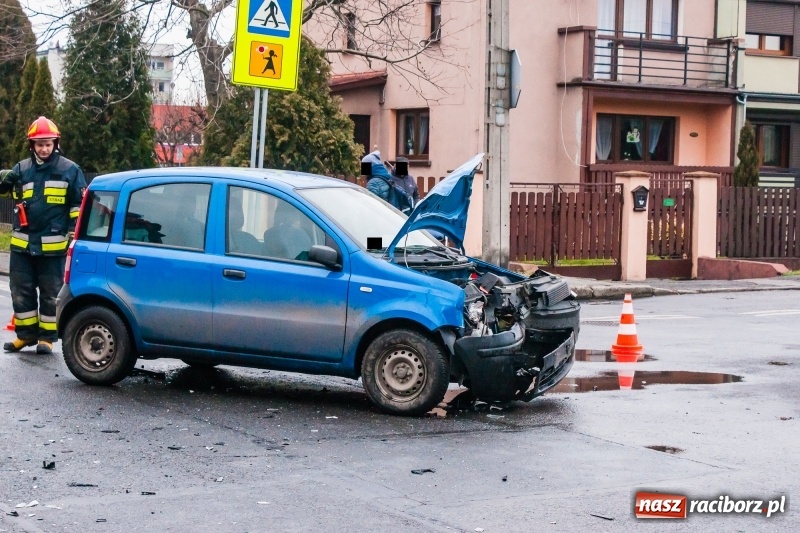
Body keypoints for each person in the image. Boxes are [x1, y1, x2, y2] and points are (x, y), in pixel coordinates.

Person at [0, 116, 87, 354]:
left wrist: (72, 234)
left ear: (55, 143)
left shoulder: (70, 170)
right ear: (32, 145)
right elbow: (6, 193)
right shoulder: (21, 169)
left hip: (53, 247)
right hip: (22, 246)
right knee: (20, 291)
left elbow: (78, 207)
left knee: (51, 294)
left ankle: (46, 339)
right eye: (39, 144)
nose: (44, 148)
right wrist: (3, 180)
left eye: (48, 143)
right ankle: (25, 336)